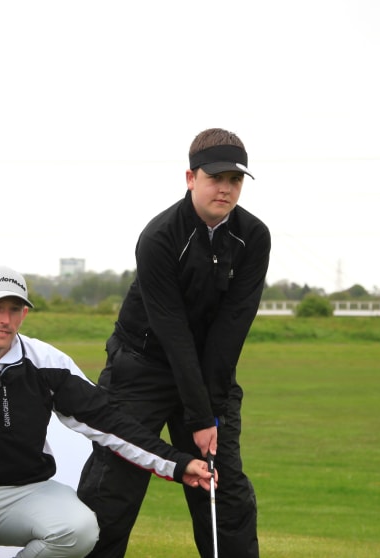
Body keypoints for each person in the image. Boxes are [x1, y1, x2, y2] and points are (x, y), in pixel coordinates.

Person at [0, 265, 216, 558]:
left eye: (14, 309)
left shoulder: (47, 362)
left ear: (24, 314)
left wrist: (178, 464)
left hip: (26, 492)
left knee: (80, 529)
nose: (4, 320)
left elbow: (111, 423)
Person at [77, 128, 270, 558]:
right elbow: (172, 329)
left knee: (222, 488)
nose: (225, 188)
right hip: (141, 369)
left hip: (209, 373)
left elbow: (232, 327)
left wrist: (210, 411)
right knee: (113, 489)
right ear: (190, 178)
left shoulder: (253, 237)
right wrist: (199, 418)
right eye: (215, 177)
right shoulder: (161, 236)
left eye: (235, 180)